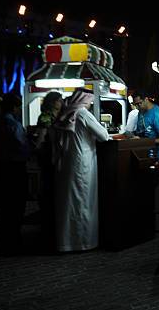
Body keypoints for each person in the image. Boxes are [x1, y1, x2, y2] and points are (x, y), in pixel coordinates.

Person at [52, 88, 111, 252]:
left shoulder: (67, 112)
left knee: (68, 202)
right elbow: (104, 135)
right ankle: (82, 242)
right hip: (82, 164)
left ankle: (65, 241)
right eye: (90, 100)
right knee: (82, 202)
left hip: (66, 163)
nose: (90, 103)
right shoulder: (83, 113)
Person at [0, 93, 31, 253]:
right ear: (15, 107)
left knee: (4, 205)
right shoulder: (14, 125)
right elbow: (22, 146)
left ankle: (4, 238)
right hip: (15, 167)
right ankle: (14, 240)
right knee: (16, 204)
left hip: (2, 166)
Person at [30, 91, 63, 248]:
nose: (61, 103)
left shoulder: (59, 115)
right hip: (49, 157)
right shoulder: (46, 116)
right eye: (59, 100)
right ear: (52, 102)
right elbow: (41, 138)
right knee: (48, 187)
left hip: (56, 155)